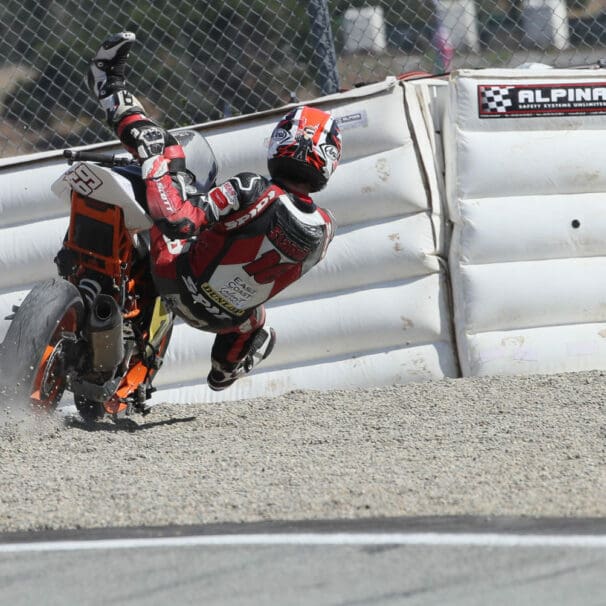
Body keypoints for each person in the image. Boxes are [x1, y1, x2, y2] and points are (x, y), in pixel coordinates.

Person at [86, 32, 342, 391]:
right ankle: (225, 368)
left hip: (175, 275)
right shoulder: (326, 229)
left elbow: (180, 222)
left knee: (165, 148)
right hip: (224, 320)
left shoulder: (252, 188)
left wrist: (157, 167)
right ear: (330, 161)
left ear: (279, 143)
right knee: (255, 317)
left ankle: (108, 83)